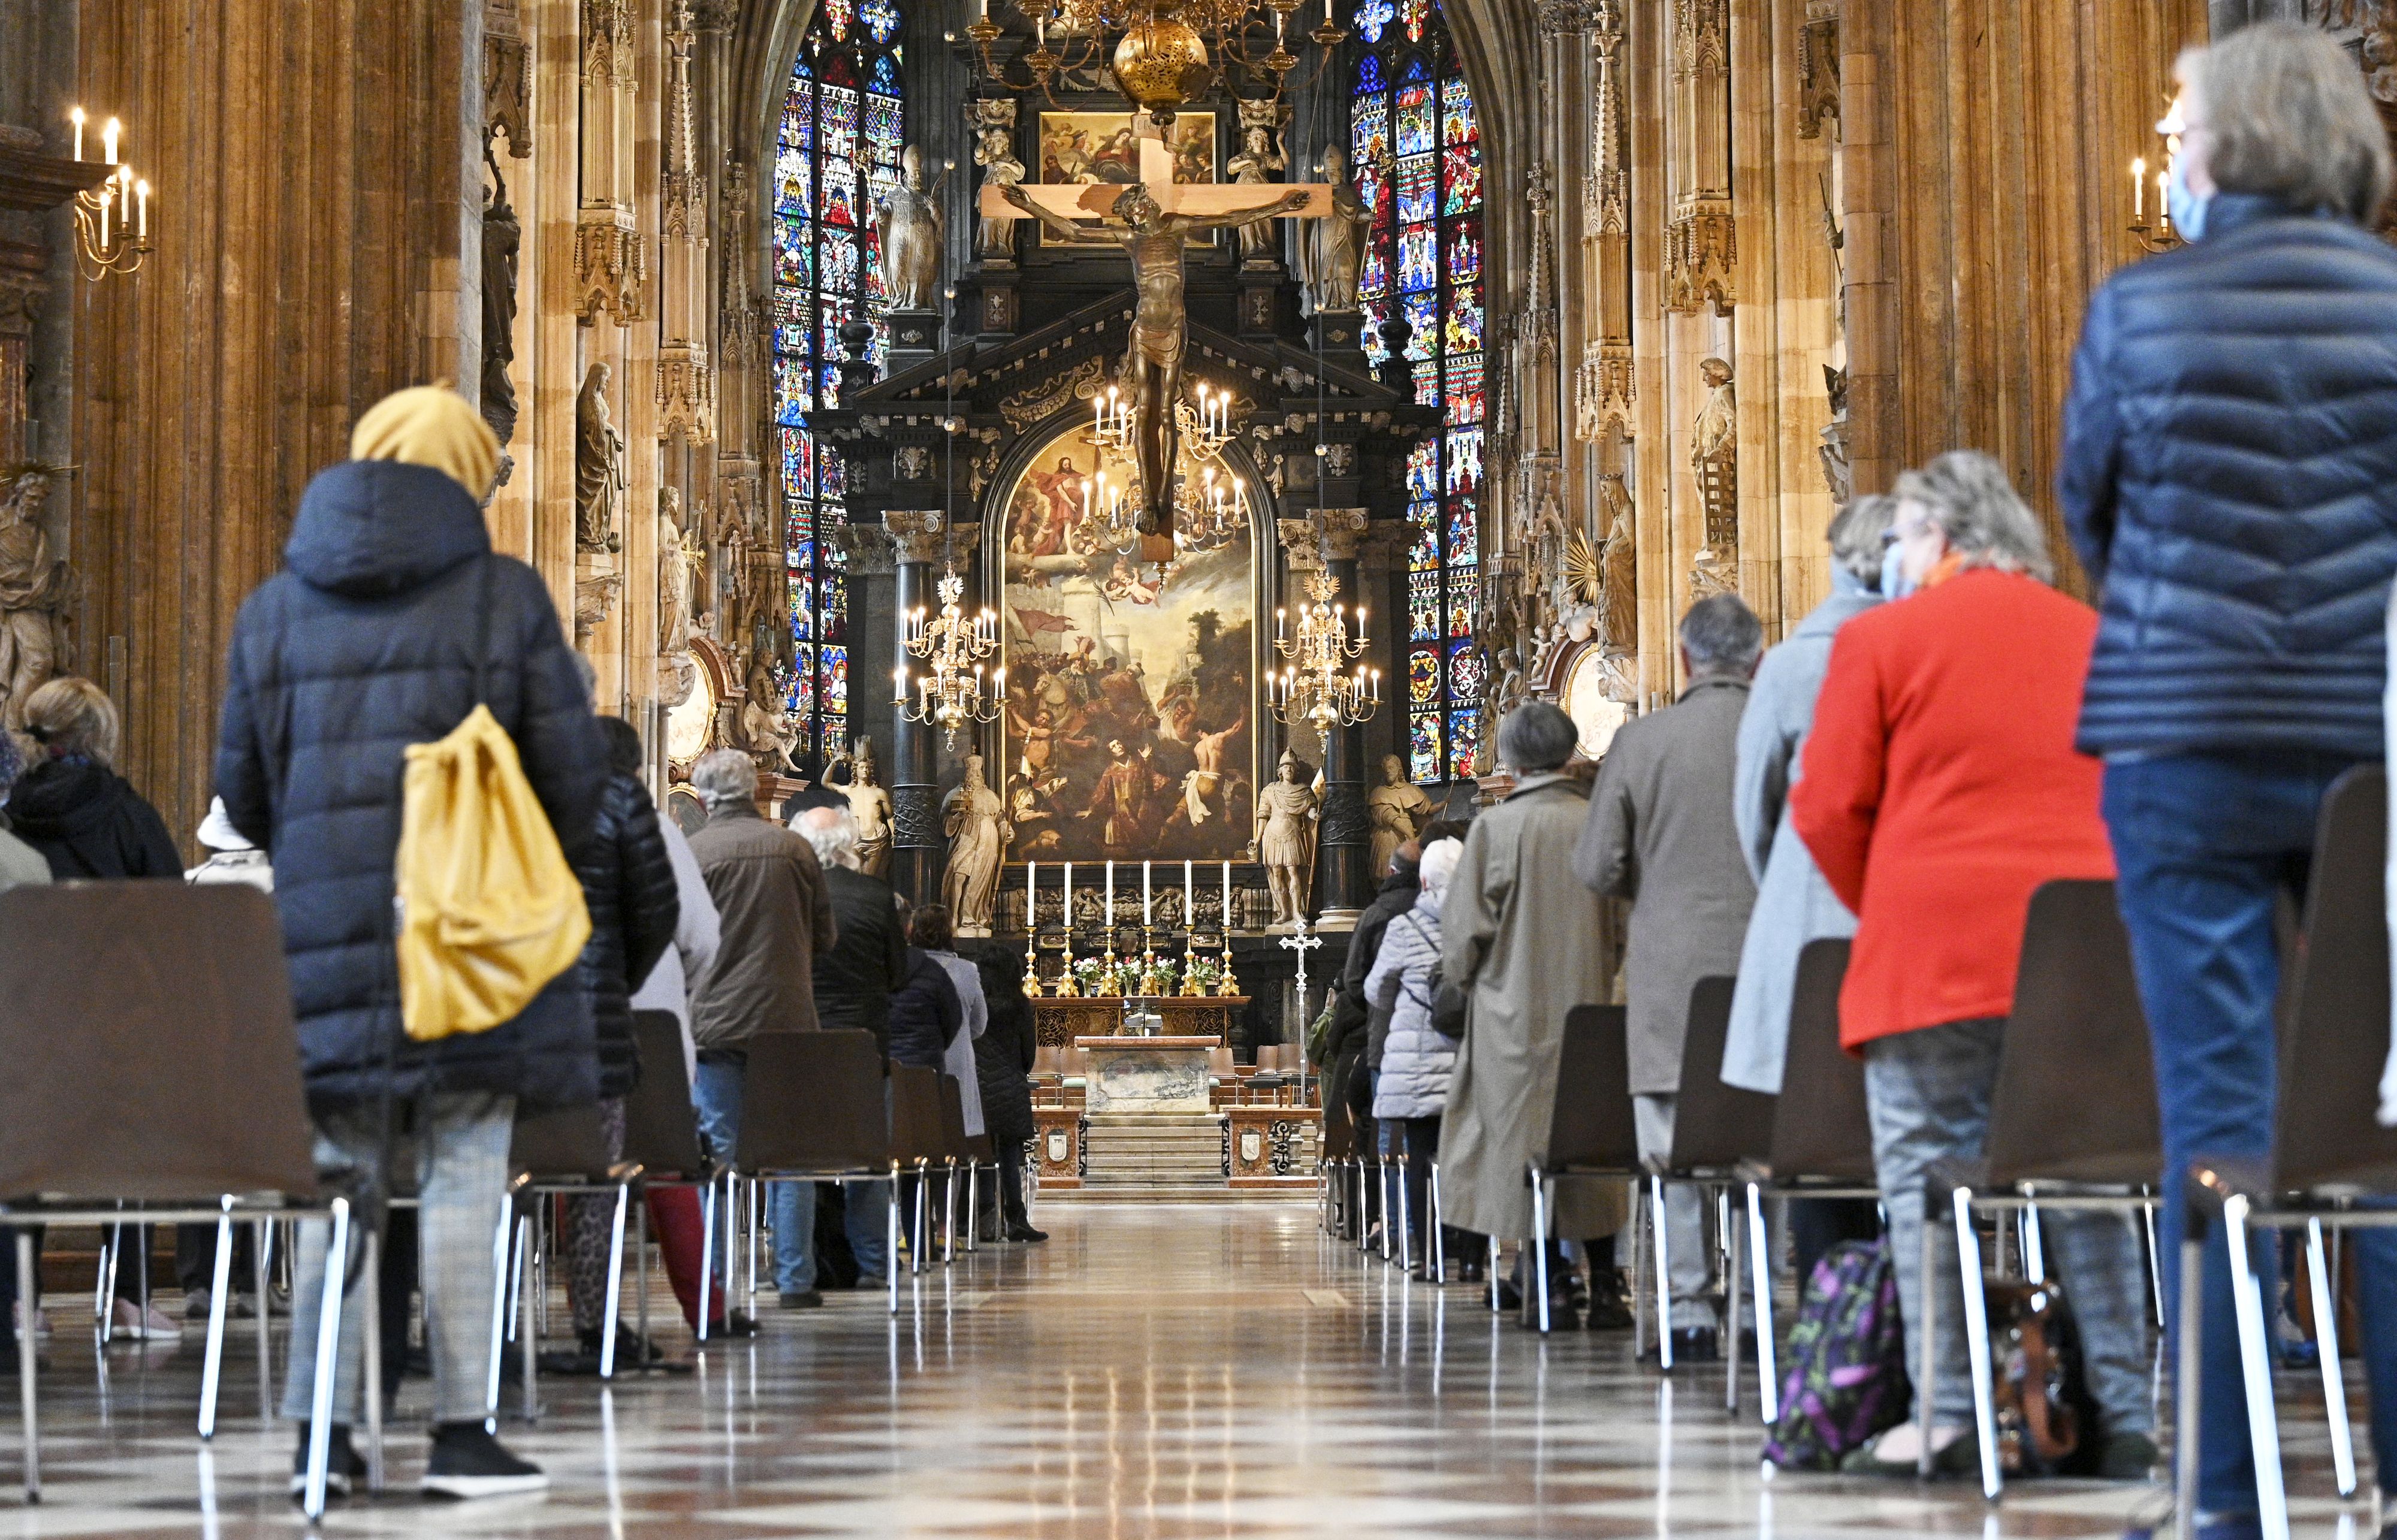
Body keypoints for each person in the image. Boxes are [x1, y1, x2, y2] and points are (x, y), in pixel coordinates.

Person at [2055, 23, 2397, 1530]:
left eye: (2178, 126)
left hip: (2180, 742)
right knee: (2381, 1113)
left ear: (2235, 145)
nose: (2169, 153)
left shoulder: (2138, 307)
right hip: (2368, 744)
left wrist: (2191, 632)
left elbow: (2093, 510)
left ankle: (2221, 1497)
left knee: (2216, 1122)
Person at [216, 384, 603, 1499]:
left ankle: (321, 1442)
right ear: (469, 476)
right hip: (471, 942)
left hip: (325, 948)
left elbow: (237, 801)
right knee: (464, 1177)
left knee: (336, 1181)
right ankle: (462, 1436)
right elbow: (576, 785)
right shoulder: (502, 598)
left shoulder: (271, 609)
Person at [1790, 450, 2154, 1479]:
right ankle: (2125, 1418)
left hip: (1932, 960)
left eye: (1901, 538)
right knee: (2087, 1184)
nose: (1893, 560)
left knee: (1927, 1192)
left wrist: (1893, 900)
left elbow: (1823, 806)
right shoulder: (2098, 639)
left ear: (1941, 538)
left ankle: (1950, 1418)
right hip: (2086, 964)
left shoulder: (1884, 639)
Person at [1573, 594, 1762, 1362]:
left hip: (1670, 975)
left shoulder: (1641, 742)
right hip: (1771, 969)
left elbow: (1595, 865)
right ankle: (1756, 1306)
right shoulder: (1789, 730)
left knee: (1675, 1147)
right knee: (1765, 1140)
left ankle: (1688, 1309)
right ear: (1755, 660)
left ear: (1683, 661)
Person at [1723, 495, 1896, 1293]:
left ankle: (1840, 1328)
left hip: (1814, 928)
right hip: (1916, 927)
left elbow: (1754, 810)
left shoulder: (1792, 663)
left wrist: (1793, 887)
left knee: (1825, 1144)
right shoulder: (1929, 648)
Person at [1439, 702, 1626, 1322]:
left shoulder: (1496, 828)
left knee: (1521, 1143)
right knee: (1591, 1145)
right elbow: (1626, 920)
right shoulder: (1596, 820)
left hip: (1512, 1017)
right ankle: (1602, 1281)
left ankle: (1542, 1274)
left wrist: (1469, 984)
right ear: (1569, 750)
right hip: (1594, 1012)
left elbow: (1463, 938)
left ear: (1512, 761)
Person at [684, 749, 838, 1310]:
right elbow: (826, 938)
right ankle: (795, 1279)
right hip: (788, 1024)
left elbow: (681, 942)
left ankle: (717, 1282)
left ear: (703, 798)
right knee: (790, 1153)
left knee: (719, 1155)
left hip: (716, 1025)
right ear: (755, 791)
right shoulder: (794, 849)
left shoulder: (694, 851)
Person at [554, 717, 679, 1374]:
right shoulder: (618, 795)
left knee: (479, 1170)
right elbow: (659, 907)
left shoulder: (493, 779)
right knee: (595, 1176)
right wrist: (614, 975)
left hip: (495, 1019)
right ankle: (594, 1323)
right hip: (591, 1016)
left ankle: (475, 1328)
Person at [627, 754, 732, 1337]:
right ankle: (705, 1311)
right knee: (668, 1159)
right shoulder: (657, 829)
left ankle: (585, 1320)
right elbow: (699, 935)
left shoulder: (527, 815)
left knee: (566, 1157)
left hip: (558, 1019)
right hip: (651, 1013)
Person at [175, 796, 276, 1322]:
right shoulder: (284, 887)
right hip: (266, 1051)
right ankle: (255, 1281)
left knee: (200, 1160)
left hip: (196, 1052)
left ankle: (198, 1279)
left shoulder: (187, 886)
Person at [795, 804, 904, 1288]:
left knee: (793, 1156)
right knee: (867, 1157)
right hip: (864, 1046)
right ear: (848, 843)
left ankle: (797, 1269)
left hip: (799, 1041)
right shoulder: (876, 895)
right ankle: (875, 1267)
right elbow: (899, 974)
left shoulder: (790, 894)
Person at [1366, 837, 1482, 1280]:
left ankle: (1428, 1255)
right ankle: (1473, 1258)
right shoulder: (1480, 927)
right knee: (1469, 1160)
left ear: (1425, 881)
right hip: (1469, 1064)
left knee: (1419, 1158)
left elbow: (1376, 990)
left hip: (1417, 1067)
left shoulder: (1404, 928)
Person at [965, 941, 1043, 1242]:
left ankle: (985, 1221)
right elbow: (1028, 1057)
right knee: (1010, 1156)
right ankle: (1016, 1220)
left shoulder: (974, 1002)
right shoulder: (1020, 1005)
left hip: (978, 1087)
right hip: (1010, 1087)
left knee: (984, 1153)